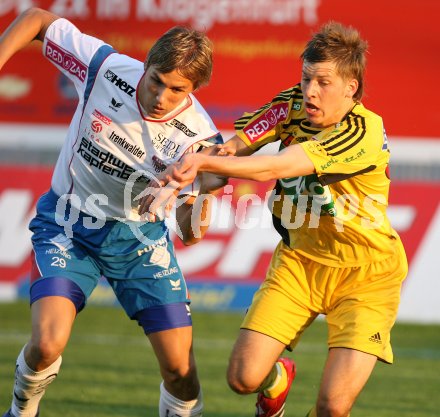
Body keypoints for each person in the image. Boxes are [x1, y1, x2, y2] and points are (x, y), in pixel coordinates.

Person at [150, 21, 408, 417]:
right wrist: (196, 180)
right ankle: (278, 381)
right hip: (299, 264)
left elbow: (281, 167)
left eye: (323, 82)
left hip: (367, 276)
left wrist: (201, 162)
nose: (310, 91)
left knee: (332, 408)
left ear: (351, 87)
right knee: (243, 378)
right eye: (306, 78)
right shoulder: (290, 106)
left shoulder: (363, 131)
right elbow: (235, 148)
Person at [0, 7, 225, 417]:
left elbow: (191, 234)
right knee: (47, 343)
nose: (161, 97)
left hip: (139, 241)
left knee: (180, 370)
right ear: (147, 64)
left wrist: (206, 191)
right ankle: (20, 412)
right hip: (68, 224)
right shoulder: (104, 66)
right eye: (155, 80)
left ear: (194, 90)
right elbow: (35, 19)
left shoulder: (202, 139)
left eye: (177, 90)